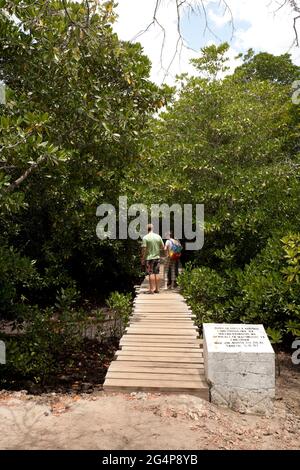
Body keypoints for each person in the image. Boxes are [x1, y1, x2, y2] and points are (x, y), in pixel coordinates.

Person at [141, 224, 164, 294]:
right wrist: (157, 249)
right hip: (157, 257)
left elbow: (144, 249)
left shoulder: (145, 238)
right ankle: (157, 289)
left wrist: (142, 258)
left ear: (147, 229)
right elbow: (162, 247)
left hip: (149, 258)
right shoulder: (158, 236)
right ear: (152, 228)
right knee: (156, 273)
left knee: (150, 273)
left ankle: (151, 289)